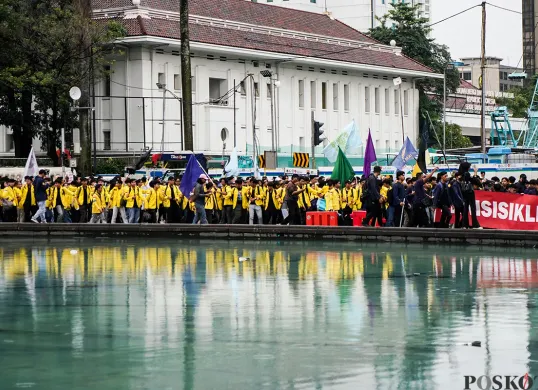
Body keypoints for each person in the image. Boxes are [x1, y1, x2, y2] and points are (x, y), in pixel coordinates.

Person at [459, 162, 482, 229]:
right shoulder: (467, 174)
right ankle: (475, 224)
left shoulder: (460, 174)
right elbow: (475, 181)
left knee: (465, 209)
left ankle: (465, 224)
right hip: (470, 192)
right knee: (473, 208)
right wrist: (475, 174)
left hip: (464, 193)